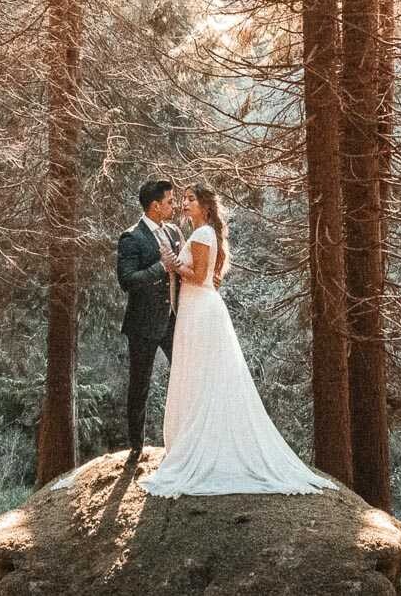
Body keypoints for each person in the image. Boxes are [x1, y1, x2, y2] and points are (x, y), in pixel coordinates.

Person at [138, 186, 337, 498]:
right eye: (184, 199)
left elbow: (199, 275)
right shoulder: (200, 233)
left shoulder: (203, 235)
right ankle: (197, 438)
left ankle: (206, 444)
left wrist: (173, 263)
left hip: (201, 310)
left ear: (205, 206)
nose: (185, 203)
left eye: (191, 199)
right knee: (199, 373)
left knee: (204, 374)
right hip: (196, 308)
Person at [116, 178, 182, 456]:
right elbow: (127, 280)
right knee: (140, 385)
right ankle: (136, 447)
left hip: (173, 321)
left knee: (183, 377)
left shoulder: (175, 232)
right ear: (155, 206)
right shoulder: (131, 237)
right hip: (142, 326)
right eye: (169, 201)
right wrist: (160, 267)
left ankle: (182, 439)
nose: (174, 205)